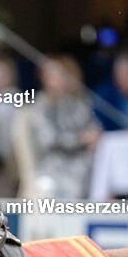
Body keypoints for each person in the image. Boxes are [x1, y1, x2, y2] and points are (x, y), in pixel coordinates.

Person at [28, 55, 101, 199]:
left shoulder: (80, 102)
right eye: (54, 74)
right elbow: (49, 139)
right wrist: (80, 139)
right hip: (53, 166)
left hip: (83, 164)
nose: (60, 78)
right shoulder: (40, 105)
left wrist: (95, 137)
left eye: (64, 74)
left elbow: (94, 128)